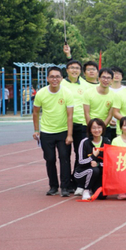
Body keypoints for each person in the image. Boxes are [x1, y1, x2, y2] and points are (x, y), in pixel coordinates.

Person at [33, 67, 74, 197]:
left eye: (57, 76)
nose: (54, 79)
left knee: (64, 159)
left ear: (61, 78)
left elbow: (70, 115)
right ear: (47, 79)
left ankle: (65, 187)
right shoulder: (41, 93)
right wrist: (36, 130)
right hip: (46, 132)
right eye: (52, 76)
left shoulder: (67, 93)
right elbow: (35, 112)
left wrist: (69, 135)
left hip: (63, 131)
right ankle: (53, 186)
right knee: (50, 159)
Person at [61, 59, 96, 190]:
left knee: (79, 154)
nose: (74, 70)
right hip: (65, 124)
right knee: (65, 155)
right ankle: (65, 184)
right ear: (67, 70)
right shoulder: (61, 83)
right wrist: (68, 55)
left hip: (81, 124)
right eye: (71, 68)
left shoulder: (86, 85)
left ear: (81, 71)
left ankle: (76, 180)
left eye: (77, 68)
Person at [73, 118, 110, 200]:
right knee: (93, 170)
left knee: (102, 196)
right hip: (82, 172)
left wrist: (98, 164)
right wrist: (93, 157)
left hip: (98, 173)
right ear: (90, 129)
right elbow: (81, 162)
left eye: (99, 127)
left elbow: (109, 162)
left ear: (103, 128)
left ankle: (93, 187)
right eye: (94, 128)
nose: (97, 130)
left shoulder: (106, 141)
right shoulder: (84, 142)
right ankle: (86, 190)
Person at [83, 68, 117, 141]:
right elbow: (86, 113)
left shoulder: (114, 96)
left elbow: (110, 115)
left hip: (105, 128)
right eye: (103, 77)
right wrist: (92, 128)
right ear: (99, 79)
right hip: (89, 126)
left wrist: (101, 129)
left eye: (108, 78)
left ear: (112, 80)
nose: (106, 80)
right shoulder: (88, 93)